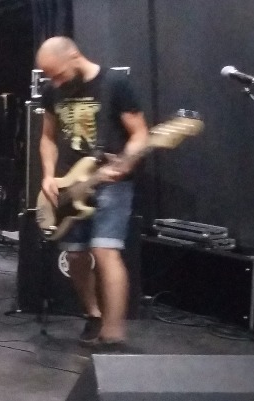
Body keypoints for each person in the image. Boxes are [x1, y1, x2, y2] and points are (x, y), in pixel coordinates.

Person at [35, 37, 148, 349]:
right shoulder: (52, 91)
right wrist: (48, 175)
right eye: (50, 77)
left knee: (105, 250)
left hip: (111, 182)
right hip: (70, 184)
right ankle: (94, 314)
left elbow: (140, 134)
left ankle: (113, 333)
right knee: (75, 255)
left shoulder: (114, 84)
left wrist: (126, 163)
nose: (56, 82)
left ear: (74, 55)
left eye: (58, 74)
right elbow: (47, 137)